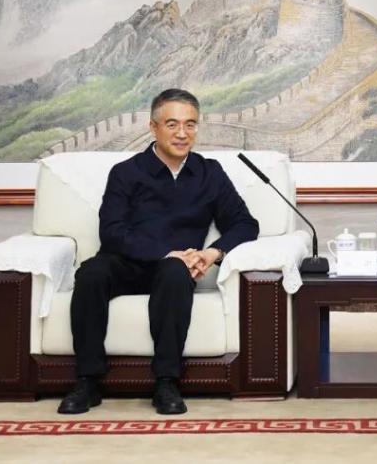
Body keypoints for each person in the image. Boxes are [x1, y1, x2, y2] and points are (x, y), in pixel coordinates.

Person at [58, 89, 259, 415]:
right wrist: (167, 253)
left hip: (175, 272)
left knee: (176, 273)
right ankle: (87, 381)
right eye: (172, 124)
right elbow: (111, 231)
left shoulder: (210, 173)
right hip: (125, 263)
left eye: (190, 124)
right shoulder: (126, 172)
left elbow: (245, 224)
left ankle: (166, 382)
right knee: (91, 273)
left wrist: (212, 254)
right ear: (153, 127)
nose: (182, 133)